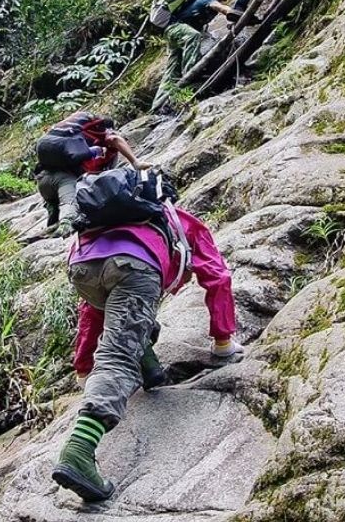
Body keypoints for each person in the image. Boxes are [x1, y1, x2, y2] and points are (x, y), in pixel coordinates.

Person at [52, 204, 242, 503]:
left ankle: (151, 370)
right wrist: (223, 344)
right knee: (118, 357)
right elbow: (217, 277)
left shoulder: (115, 219)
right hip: (132, 267)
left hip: (81, 267)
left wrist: (83, 364)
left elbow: (92, 310)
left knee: (134, 322)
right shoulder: (183, 222)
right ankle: (79, 451)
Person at [34, 112, 142, 235]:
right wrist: (135, 162)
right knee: (70, 206)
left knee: (55, 203)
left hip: (43, 182)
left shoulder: (70, 134)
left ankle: (52, 213)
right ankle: (64, 226)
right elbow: (114, 139)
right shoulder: (97, 135)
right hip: (64, 181)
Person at [149, 0, 239, 113]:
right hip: (175, 28)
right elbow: (220, 7)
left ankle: (156, 107)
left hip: (175, 33)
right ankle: (190, 74)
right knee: (194, 36)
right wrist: (234, 13)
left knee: (172, 70)